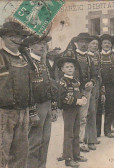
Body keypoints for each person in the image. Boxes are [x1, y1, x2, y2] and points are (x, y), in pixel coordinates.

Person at [0, 21, 38, 168]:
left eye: (19, 37)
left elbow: (30, 85)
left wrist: (32, 111)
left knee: (21, 153)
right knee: (2, 153)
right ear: (3, 38)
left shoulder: (24, 58)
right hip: (4, 113)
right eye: (12, 36)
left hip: (23, 112)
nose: (17, 40)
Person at [22, 35, 58, 168]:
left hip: (47, 105)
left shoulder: (42, 63)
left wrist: (53, 107)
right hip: (36, 106)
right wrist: (32, 112)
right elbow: (28, 89)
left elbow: (50, 85)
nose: (42, 46)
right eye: (38, 44)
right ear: (30, 46)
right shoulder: (27, 63)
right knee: (34, 142)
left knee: (45, 140)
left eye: (43, 44)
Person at [63, 33, 98, 152]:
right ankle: (71, 145)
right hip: (72, 90)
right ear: (76, 43)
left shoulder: (89, 57)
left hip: (86, 90)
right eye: (81, 41)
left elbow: (94, 74)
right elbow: (61, 71)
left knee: (83, 116)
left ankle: (81, 141)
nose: (84, 44)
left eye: (86, 42)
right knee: (72, 117)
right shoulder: (70, 55)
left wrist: (92, 82)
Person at [57, 57, 88, 167]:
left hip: (77, 109)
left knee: (76, 133)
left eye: (71, 67)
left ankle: (76, 155)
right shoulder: (62, 81)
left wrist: (83, 97)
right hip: (68, 110)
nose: (69, 68)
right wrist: (76, 101)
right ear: (62, 69)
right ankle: (68, 158)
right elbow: (62, 97)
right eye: (67, 67)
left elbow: (79, 91)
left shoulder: (76, 80)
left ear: (74, 68)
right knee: (69, 134)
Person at [99, 34, 114, 138]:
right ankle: (96, 131)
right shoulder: (97, 56)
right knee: (98, 109)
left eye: (109, 43)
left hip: (111, 86)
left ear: (111, 45)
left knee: (110, 109)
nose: (107, 45)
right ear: (101, 44)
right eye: (105, 43)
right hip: (99, 86)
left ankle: (107, 130)